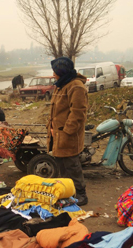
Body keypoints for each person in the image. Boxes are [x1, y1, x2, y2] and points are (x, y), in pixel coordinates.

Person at [47, 57, 88, 206]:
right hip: (57, 134)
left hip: (68, 136)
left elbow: (78, 113)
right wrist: (51, 128)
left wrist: (66, 132)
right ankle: (69, 193)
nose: (53, 75)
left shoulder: (76, 86)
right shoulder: (61, 84)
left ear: (62, 71)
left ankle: (82, 194)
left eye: (55, 71)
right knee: (62, 167)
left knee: (72, 166)